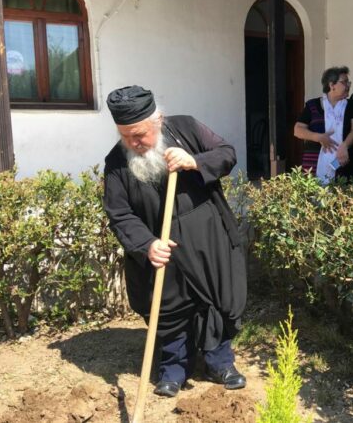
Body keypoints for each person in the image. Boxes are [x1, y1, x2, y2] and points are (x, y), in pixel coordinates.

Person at [103, 85, 247, 398]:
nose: (134, 143)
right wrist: (146, 244)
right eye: (126, 136)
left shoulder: (186, 129)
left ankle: (220, 363)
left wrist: (195, 160)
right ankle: (174, 369)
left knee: (213, 300)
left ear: (157, 120)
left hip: (206, 237)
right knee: (169, 308)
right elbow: (119, 213)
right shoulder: (116, 162)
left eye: (140, 134)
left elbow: (227, 153)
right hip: (162, 248)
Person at [293, 66, 353, 184]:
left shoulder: (352, 105)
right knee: (312, 192)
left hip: (342, 161)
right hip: (313, 162)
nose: (348, 85)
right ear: (332, 85)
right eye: (344, 82)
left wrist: (344, 146)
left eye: (348, 82)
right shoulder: (312, 105)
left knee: (340, 193)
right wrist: (319, 137)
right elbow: (297, 130)